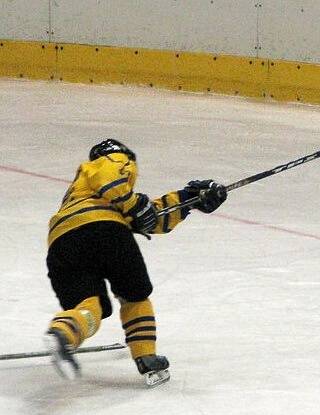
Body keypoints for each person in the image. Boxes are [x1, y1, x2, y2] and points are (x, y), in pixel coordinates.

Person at [43, 138, 227, 386]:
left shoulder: (83, 196)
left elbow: (151, 217)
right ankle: (146, 356)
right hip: (105, 231)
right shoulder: (110, 162)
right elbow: (112, 181)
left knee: (89, 306)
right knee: (134, 295)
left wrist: (190, 199)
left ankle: (63, 334)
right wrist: (132, 204)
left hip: (61, 242)